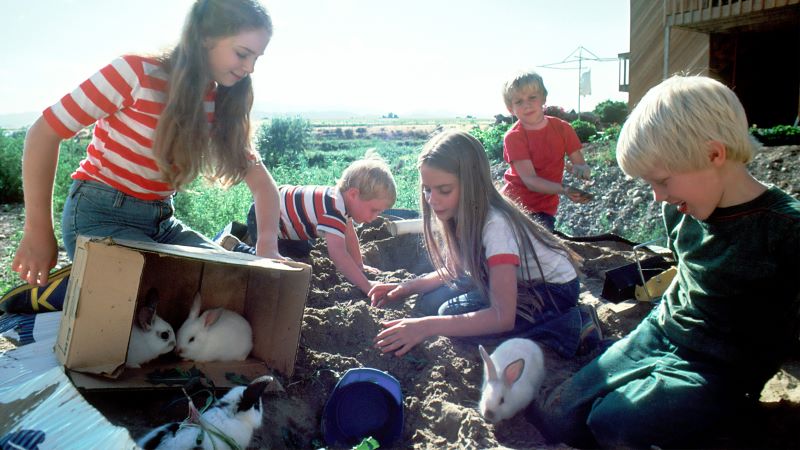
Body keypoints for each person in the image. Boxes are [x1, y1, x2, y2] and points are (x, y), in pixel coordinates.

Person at [534, 75, 800, 448]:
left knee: (614, 423)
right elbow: (686, 273)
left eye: (662, 180)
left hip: (722, 367)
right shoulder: (680, 210)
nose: (658, 197)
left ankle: (732, 423)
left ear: (714, 154)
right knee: (559, 414)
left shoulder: (784, 227)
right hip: (660, 334)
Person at [12, 0, 282, 288]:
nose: (250, 68)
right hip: (99, 214)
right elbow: (43, 133)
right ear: (205, 37)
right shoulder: (137, 72)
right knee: (166, 291)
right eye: (242, 54)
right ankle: (70, 290)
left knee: (233, 285)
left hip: (161, 223)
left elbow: (264, 186)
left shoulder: (221, 101)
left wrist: (267, 247)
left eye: (257, 58)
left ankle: (94, 283)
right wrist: (38, 231)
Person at [368, 130, 602, 358]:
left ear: (472, 184)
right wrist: (407, 287)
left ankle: (570, 325)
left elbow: (502, 316)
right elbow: (456, 270)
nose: (432, 200)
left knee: (451, 314)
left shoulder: (495, 225)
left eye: (444, 190)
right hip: (521, 279)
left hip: (553, 289)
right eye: (427, 189)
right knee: (431, 302)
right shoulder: (461, 213)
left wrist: (425, 327)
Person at [219, 156, 397, 295]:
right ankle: (235, 247)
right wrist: (367, 286)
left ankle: (252, 243)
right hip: (265, 216)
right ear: (353, 194)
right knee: (274, 263)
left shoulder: (339, 203)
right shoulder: (334, 210)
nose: (374, 217)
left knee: (302, 253)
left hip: (289, 223)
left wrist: (359, 265)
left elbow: (349, 235)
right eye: (374, 210)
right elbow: (339, 255)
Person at [500, 71, 593, 231]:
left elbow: (581, 165)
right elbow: (530, 180)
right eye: (519, 101)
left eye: (532, 97)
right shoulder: (514, 137)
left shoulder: (563, 129)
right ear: (511, 109)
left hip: (545, 208)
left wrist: (580, 171)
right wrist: (565, 189)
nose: (527, 105)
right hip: (514, 207)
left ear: (543, 98)